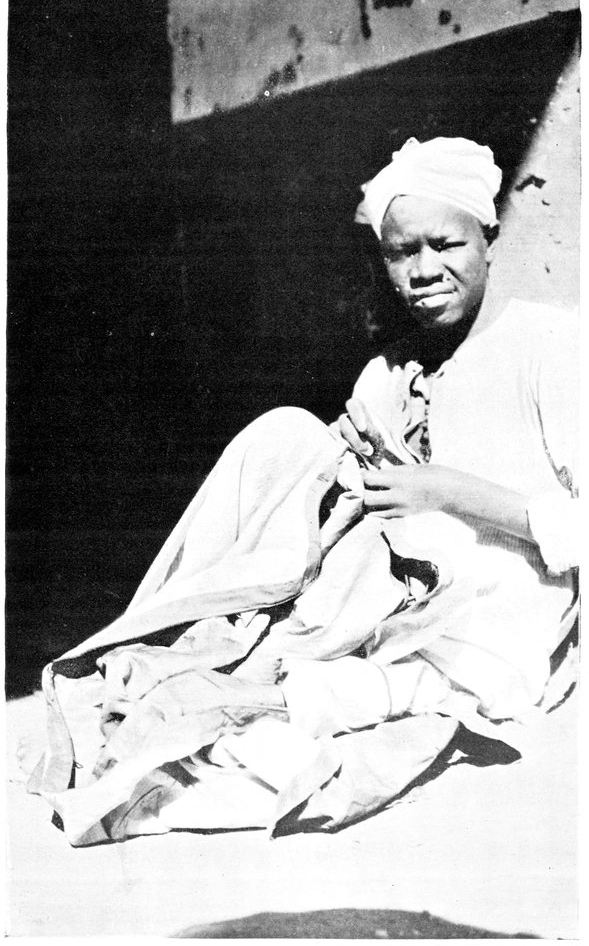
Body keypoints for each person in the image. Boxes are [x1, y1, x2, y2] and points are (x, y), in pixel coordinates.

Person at [29, 137, 579, 846]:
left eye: (446, 245)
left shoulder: (549, 346)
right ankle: (204, 638)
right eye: (400, 253)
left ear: (490, 239)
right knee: (285, 434)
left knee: (271, 712)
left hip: (486, 613)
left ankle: (260, 681)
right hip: (384, 593)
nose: (423, 271)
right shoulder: (387, 372)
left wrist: (444, 491)